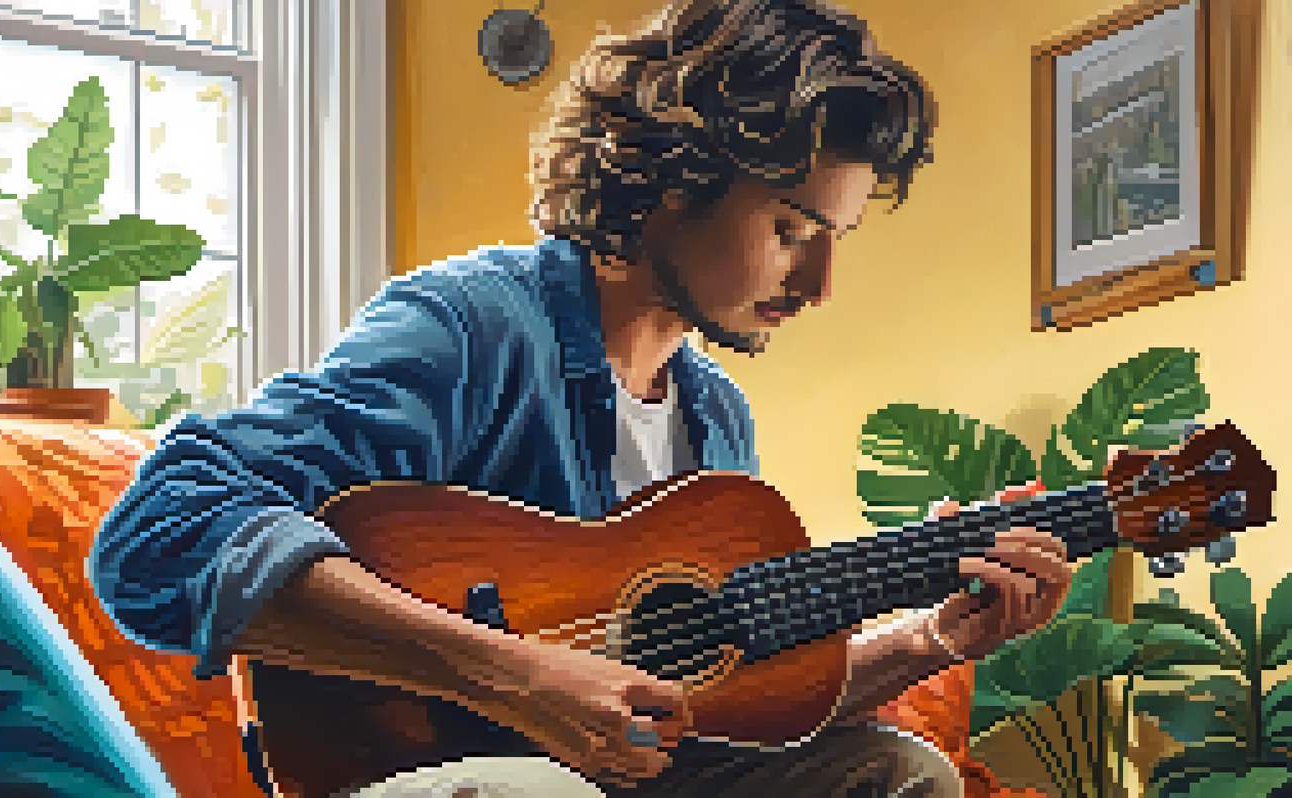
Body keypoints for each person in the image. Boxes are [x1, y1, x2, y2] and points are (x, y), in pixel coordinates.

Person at [90, 0, 1074, 795]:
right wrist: (513, 675)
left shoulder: (716, 420)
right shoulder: (472, 324)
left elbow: (723, 704)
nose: (818, 286)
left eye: (835, 241)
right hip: (410, 771)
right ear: (679, 178)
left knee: (899, 774)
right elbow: (161, 525)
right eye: (790, 227)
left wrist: (930, 638)